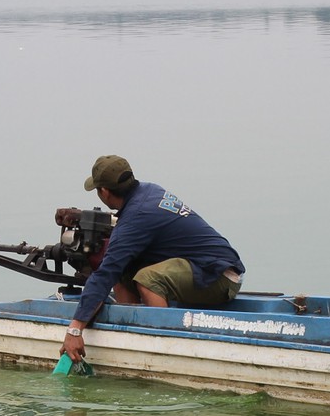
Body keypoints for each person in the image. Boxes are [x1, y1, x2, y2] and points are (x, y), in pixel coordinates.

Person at [58, 155, 245, 363]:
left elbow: (105, 273)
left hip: (219, 276)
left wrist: (75, 329)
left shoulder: (136, 217)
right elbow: (116, 267)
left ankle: (163, 350)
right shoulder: (149, 191)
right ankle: (132, 337)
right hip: (208, 267)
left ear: (105, 192)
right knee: (125, 271)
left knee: (147, 279)